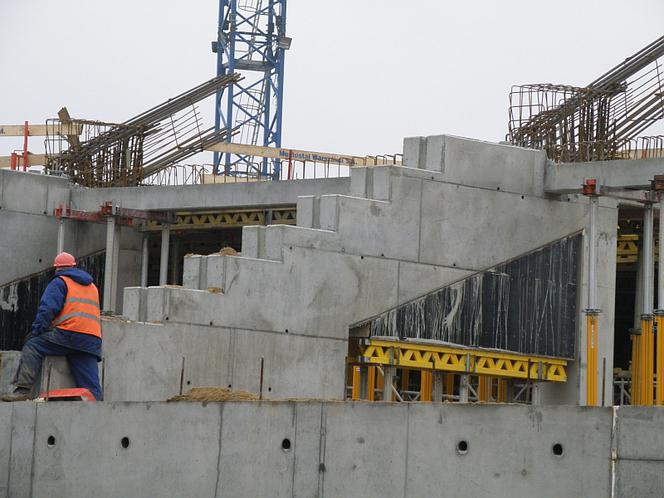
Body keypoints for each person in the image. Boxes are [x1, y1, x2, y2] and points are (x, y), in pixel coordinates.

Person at [1, 252, 103, 401]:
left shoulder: (60, 281)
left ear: (56, 269)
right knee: (91, 388)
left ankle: (22, 390)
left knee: (33, 344)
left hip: (69, 335)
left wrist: (37, 330)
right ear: (74, 266)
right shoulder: (92, 286)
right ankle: (98, 411)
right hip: (91, 341)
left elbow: (47, 309)